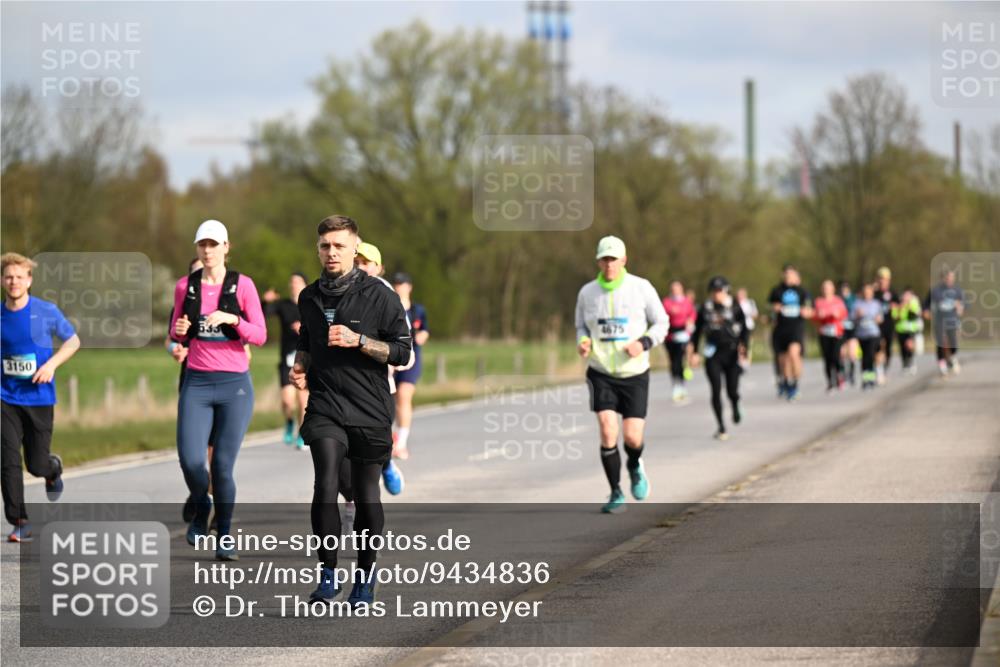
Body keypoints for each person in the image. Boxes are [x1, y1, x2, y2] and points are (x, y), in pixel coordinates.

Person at [290, 215, 411, 607]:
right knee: (325, 482)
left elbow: (403, 352)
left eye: (339, 246)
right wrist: (301, 364)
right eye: (325, 246)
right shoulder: (308, 298)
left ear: (354, 249)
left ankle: (366, 574)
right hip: (326, 404)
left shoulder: (380, 296)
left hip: (370, 408)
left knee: (366, 496)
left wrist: (359, 340)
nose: (331, 253)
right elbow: (307, 341)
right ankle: (328, 576)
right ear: (318, 249)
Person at [169, 220, 267, 560]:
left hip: (234, 385)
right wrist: (180, 331)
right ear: (197, 248)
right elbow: (177, 331)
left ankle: (224, 533)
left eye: (214, 244)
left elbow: (260, 334)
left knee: (222, 466)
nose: (208, 250)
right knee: (191, 461)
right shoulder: (185, 285)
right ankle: (201, 506)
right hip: (196, 382)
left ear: (226, 247)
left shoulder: (243, 286)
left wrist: (232, 320)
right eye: (202, 245)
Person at [574, 236, 668, 514]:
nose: (609, 264)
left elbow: (662, 321)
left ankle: (635, 464)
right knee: (607, 429)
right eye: (604, 259)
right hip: (601, 371)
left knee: (632, 437)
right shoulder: (587, 293)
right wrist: (583, 342)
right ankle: (616, 491)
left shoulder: (641, 288)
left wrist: (644, 343)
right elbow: (580, 326)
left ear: (624, 260)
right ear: (598, 261)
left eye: (613, 259)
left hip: (635, 372)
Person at [1, 253, 80, 543]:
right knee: (8, 460)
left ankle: (52, 468)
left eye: (19, 277)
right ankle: (19, 520)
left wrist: (51, 366)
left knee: (35, 464)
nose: (13, 282)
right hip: (6, 398)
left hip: (39, 398)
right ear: (2, 280)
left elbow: (73, 341)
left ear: (29, 280)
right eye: (8, 276)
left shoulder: (46, 311)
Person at [355, 242, 413, 496]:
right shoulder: (336, 289)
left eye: (366, 263)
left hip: (379, 385)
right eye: (356, 262)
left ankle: (387, 464)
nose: (360, 268)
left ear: (378, 268)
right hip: (343, 386)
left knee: (376, 444)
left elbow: (404, 344)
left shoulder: (386, 294)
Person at [690, 276, 748, 441]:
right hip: (713, 353)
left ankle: (735, 404)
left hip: (731, 353)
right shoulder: (705, 308)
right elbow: (697, 331)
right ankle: (721, 426)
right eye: (714, 291)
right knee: (715, 390)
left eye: (720, 290)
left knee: (732, 390)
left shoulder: (735, 307)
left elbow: (745, 329)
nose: (717, 294)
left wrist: (744, 346)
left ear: (726, 290)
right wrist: (694, 352)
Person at [263, 272, 310, 449]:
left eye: (298, 282)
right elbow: (262, 314)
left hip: (305, 358)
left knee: (302, 400)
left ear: (305, 285)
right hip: (286, 358)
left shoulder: (310, 304)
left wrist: (304, 328)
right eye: (292, 282)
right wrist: (266, 301)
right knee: (287, 400)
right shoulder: (283, 305)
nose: (295, 285)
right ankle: (289, 421)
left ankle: (302, 433)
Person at [391, 272, 429, 461]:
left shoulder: (417, 310)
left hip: (411, 360)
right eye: (396, 284)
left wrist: (423, 336)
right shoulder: (389, 307)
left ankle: (401, 443)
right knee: (391, 401)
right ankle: (393, 436)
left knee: (404, 396)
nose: (399, 287)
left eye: (403, 284)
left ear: (409, 287)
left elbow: (425, 330)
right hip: (391, 360)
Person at [768, 264, 813, 401]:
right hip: (781, 329)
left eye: (791, 274)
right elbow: (769, 308)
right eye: (786, 274)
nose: (788, 277)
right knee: (783, 360)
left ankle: (795, 384)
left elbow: (810, 309)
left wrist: (807, 312)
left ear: (796, 276)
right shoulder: (776, 290)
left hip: (796, 328)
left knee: (794, 355)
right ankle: (787, 382)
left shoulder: (802, 291)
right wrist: (773, 309)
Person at [924, 268, 964, 376]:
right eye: (948, 278)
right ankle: (942, 364)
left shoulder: (957, 290)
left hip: (952, 320)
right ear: (943, 278)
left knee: (953, 343)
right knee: (940, 342)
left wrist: (960, 307)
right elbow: (926, 303)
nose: (950, 280)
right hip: (939, 320)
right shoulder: (936, 291)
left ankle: (952, 358)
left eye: (952, 278)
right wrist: (926, 311)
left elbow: (963, 304)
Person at [662, 281, 696, 403]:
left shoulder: (686, 302)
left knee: (679, 360)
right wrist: (672, 312)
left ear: (681, 289)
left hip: (682, 335)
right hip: (670, 336)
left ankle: (681, 385)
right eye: (673, 289)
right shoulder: (667, 302)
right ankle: (675, 384)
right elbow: (662, 316)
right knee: (673, 361)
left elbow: (692, 314)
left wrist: (690, 322)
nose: (675, 291)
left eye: (678, 289)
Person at [812, 280, 848, 391]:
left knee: (836, 356)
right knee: (827, 358)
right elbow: (813, 316)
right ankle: (830, 382)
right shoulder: (818, 301)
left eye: (828, 288)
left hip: (836, 332)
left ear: (833, 289)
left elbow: (844, 314)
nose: (826, 290)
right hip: (824, 332)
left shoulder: (838, 301)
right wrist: (818, 316)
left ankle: (839, 376)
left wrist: (837, 314)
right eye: (824, 288)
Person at [851, 283, 883, 390]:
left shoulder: (876, 304)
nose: (867, 294)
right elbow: (851, 318)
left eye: (869, 292)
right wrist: (856, 315)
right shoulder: (857, 304)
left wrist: (878, 318)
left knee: (870, 355)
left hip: (873, 334)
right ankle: (866, 380)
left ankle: (871, 378)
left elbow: (881, 318)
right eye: (865, 292)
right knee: (864, 357)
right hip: (861, 334)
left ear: (872, 293)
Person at [873, 267, 897, 385]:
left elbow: (900, 306)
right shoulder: (874, 293)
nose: (883, 281)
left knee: (887, 349)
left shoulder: (892, 292)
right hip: (876, 326)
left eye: (885, 279)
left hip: (889, 324)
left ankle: (885, 368)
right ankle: (879, 371)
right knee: (878, 347)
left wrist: (896, 308)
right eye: (881, 279)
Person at [892, 288, 923, 375]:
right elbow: (895, 316)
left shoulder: (914, 304)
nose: (906, 297)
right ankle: (905, 364)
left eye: (908, 295)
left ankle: (911, 361)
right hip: (900, 328)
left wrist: (909, 307)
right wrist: (900, 308)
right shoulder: (899, 304)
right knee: (902, 348)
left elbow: (917, 314)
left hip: (911, 328)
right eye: (905, 295)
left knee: (909, 345)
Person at [838, 281, 859, 386]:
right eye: (842, 290)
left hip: (852, 329)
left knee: (852, 353)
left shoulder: (854, 299)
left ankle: (851, 375)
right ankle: (843, 374)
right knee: (842, 353)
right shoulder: (838, 300)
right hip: (841, 329)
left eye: (845, 290)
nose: (844, 292)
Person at [736, 287, 758, 368]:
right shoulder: (734, 303)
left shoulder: (750, 303)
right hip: (737, 327)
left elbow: (755, 314)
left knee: (745, 343)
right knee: (738, 343)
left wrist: (748, 315)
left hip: (748, 326)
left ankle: (745, 359)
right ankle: (739, 359)